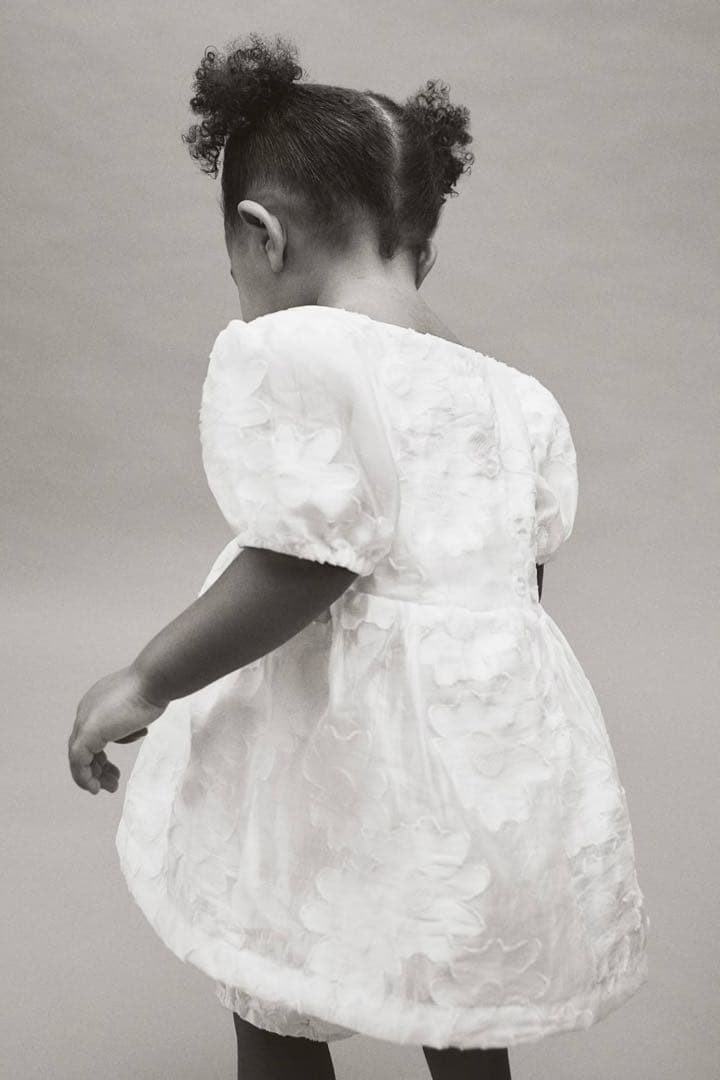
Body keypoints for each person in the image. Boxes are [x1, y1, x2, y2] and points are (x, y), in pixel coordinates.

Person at [67, 32, 649, 1080]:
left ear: (262, 236)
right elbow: (520, 582)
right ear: (423, 246)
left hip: (324, 750)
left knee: (277, 969)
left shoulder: (294, 354)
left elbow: (307, 562)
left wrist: (148, 678)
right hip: (478, 756)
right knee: (455, 990)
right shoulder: (517, 398)